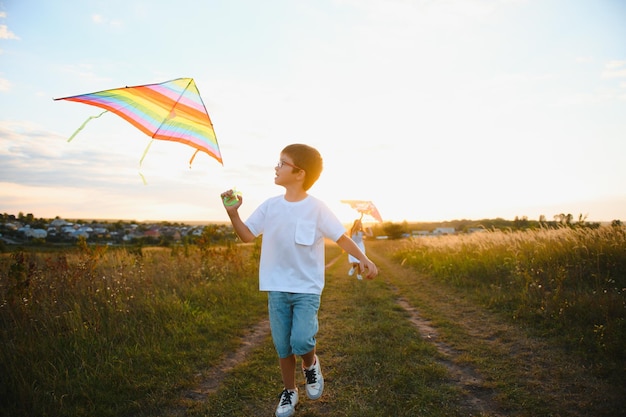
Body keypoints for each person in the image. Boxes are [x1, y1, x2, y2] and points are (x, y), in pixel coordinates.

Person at [220, 144, 378, 417]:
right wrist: (233, 213)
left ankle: (311, 364)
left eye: (282, 163)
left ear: (299, 173)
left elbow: (341, 237)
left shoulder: (317, 208)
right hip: (276, 286)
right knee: (283, 345)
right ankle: (289, 392)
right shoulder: (270, 206)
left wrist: (363, 258)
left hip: (306, 288)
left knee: (302, 340)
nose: (276, 167)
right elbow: (247, 235)